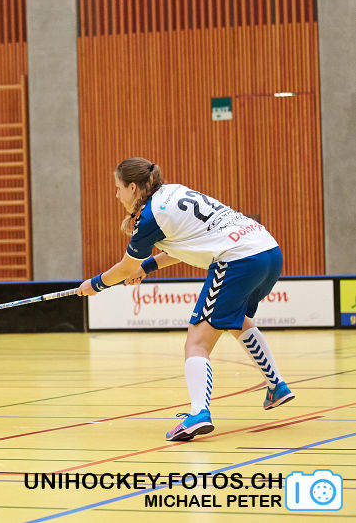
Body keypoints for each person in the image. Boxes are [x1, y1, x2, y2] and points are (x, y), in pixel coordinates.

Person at [77, 157, 294, 442]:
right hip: (268, 251)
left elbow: (125, 268)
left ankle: (199, 413)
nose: (116, 195)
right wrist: (146, 267)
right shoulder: (173, 192)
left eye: (118, 188)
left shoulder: (149, 217)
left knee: (196, 343)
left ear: (132, 187)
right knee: (235, 319)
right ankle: (276, 386)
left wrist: (95, 285)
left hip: (238, 260)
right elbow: (187, 244)